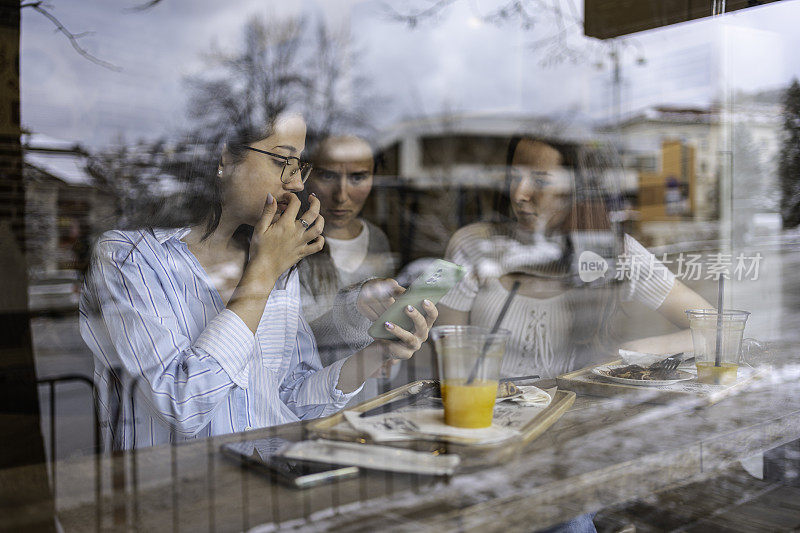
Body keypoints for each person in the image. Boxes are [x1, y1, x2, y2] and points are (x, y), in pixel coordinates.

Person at [79, 113, 436, 450]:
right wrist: (262, 273)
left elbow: (291, 401)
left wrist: (374, 354)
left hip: (268, 489)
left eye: (299, 167)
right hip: (177, 500)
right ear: (226, 158)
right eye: (283, 162)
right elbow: (182, 405)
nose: (296, 183)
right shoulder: (129, 258)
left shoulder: (271, 259)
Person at [438, 137, 711, 379]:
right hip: (482, 420)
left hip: (569, 423)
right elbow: (443, 360)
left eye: (540, 181)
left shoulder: (614, 251)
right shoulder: (470, 245)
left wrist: (636, 351)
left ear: (576, 190)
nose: (519, 194)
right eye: (513, 176)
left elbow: (716, 329)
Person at [298, 135, 400, 402]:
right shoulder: (293, 241)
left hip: (367, 398)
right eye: (328, 176)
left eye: (357, 177)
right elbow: (293, 339)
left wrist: (387, 349)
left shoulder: (377, 238)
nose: (341, 195)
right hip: (309, 400)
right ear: (306, 175)